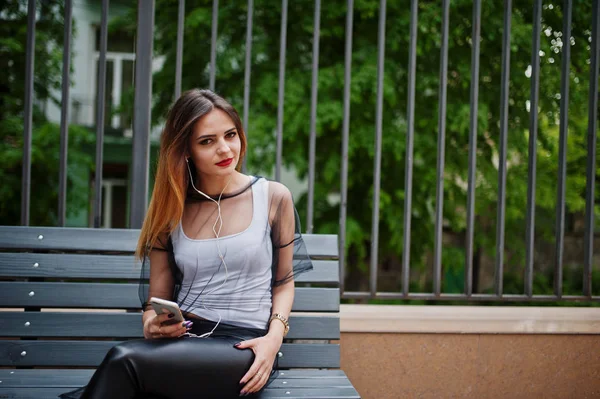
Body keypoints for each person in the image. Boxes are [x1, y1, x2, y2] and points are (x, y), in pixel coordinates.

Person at [60, 89, 312, 399]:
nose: (224, 149)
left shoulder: (273, 197)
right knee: (126, 366)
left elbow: (284, 282)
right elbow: (156, 301)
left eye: (230, 135)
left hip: (246, 346)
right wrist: (152, 325)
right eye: (207, 141)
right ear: (186, 151)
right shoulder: (171, 210)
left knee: (123, 360)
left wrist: (273, 340)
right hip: (184, 343)